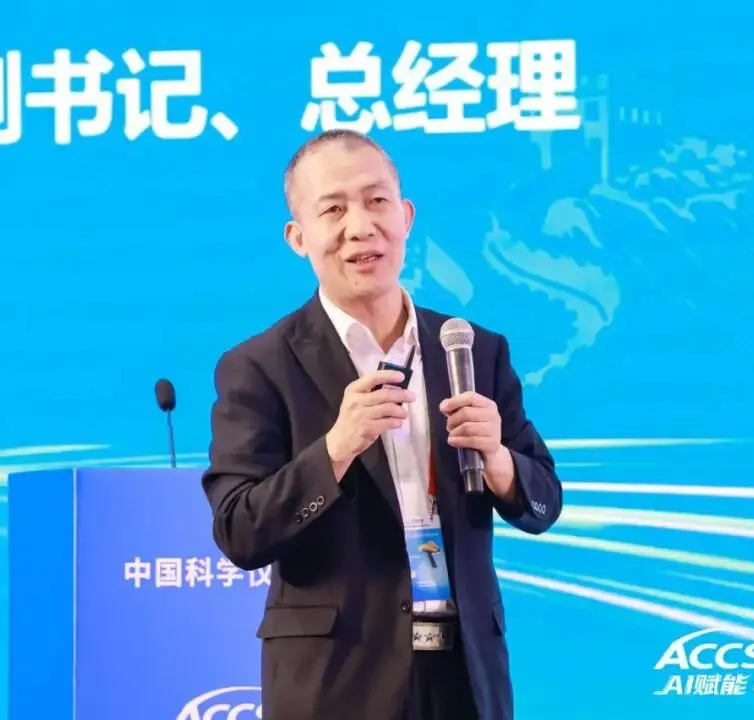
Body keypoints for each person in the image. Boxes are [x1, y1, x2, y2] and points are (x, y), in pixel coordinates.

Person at [201, 129, 563, 720]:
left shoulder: (473, 349)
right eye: (333, 210)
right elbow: (240, 532)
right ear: (298, 237)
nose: (361, 226)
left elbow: (544, 501)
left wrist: (499, 461)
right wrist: (335, 450)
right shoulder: (259, 366)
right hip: (337, 682)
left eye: (376, 201)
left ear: (406, 216)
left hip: (464, 675)